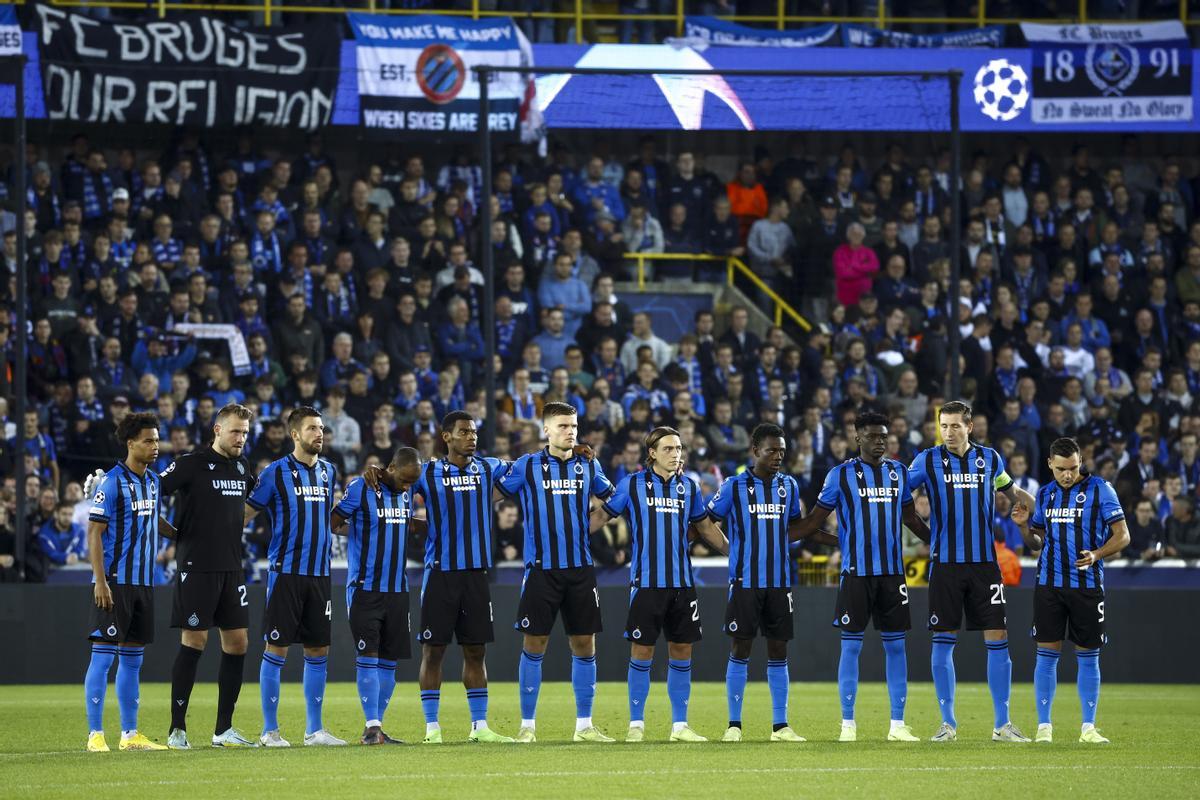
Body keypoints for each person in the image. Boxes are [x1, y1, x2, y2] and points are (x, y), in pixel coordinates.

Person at [791, 411, 928, 742]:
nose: (880, 440)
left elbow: (911, 519)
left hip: (892, 575)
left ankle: (897, 725)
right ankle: (847, 724)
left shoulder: (899, 473)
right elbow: (813, 523)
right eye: (873, 435)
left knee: (896, 648)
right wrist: (782, 532)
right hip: (855, 574)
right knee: (850, 649)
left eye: (884, 435)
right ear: (858, 438)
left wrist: (937, 541)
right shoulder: (840, 475)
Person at [907, 400, 1037, 743]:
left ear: (969, 427)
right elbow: (900, 496)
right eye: (943, 426)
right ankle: (947, 723)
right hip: (945, 565)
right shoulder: (927, 460)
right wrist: (925, 533)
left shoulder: (990, 459)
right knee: (943, 640)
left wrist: (1039, 512)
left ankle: (1002, 724)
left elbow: (1014, 495)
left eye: (954, 426)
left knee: (998, 639)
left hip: (984, 566)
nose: (948, 432)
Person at [589, 427, 728, 743]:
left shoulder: (689, 488)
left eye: (678, 448)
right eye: (668, 448)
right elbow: (601, 518)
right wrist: (573, 537)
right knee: (642, 652)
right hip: (647, 584)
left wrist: (737, 554)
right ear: (651, 452)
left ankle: (680, 726)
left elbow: (705, 529)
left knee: (682, 651)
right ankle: (636, 724)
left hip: (682, 584)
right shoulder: (633, 485)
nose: (675, 453)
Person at [499, 402, 616, 743]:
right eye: (563, 426)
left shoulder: (588, 465)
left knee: (584, 644)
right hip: (542, 571)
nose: (570, 432)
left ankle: (584, 726)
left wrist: (591, 524)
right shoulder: (528, 466)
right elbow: (493, 493)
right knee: (535, 643)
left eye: (574, 426)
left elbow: (614, 499)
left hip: (580, 569)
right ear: (545, 430)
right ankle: (527, 726)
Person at [1011, 437, 1130, 744]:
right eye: (1061, 468)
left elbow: (1123, 536)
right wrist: (1025, 527)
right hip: (1049, 585)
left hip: (1087, 586)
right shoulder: (1047, 494)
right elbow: (1037, 544)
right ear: (1050, 464)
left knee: (1088, 655)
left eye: (1073, 468)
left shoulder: (1100, 489)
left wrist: (1097, 554)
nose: (1067, 474)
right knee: (1046, 655)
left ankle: (1088, 727)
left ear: (1080, 463)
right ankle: (1044, 728)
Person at [406, 413, 514, 744]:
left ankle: (479, 727)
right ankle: (431, 728)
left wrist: (572, 451)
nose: (471, 437)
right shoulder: (428, 471)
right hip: (440, 573)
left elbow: (531, 467)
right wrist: (412, 520)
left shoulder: (488, 467)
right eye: (464, 432)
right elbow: (395, 486)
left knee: (475, 651)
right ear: (446, 437)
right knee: (433, 651)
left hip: (475, 575)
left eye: (474, 432)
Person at [157, 404, 255, 748]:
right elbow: (150, 491)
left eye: (244, 432)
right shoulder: (190, 465)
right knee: (194, 642)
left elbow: (249, 506)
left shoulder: (243, 467)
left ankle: (223, 729)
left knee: (238, 642)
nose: (241, 438)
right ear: (217, 430)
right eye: (235, 431)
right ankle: (177, 729)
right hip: (196, 568)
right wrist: (170, 532)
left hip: (232, 567)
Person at [244, 407, 343, 747]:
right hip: (285, 574)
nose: (320, 433)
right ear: (295, 434)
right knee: (277, 648)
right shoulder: (274, 473)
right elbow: (244, 514)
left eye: (322, 427)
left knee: (318, 650)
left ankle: (314, 731)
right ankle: (269, 731)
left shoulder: (330, 472)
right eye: (312, 428)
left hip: (320, 576)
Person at [706, 423, 807, 743]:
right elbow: (708, 523)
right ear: (755, 451)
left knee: (779, 650)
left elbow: (794, 529)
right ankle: (733, 725)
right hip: (745, 581)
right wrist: (729, 549)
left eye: (782, 451)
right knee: (741, 648)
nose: (778, 456)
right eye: (772, 450)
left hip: (780, 583)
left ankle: (781, 726)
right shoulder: (734, 486)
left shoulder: (789, 486)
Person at [83, 411, 175, 752]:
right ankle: (95, 735)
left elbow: (154, 517)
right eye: (148, 440)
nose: (155, 446)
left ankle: (129, 734)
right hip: (115, 582)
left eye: (156, 439)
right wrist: (100, 581)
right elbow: (94, 532)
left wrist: (180, 534)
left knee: (133, 660)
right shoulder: (111, 481)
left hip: (143, 583)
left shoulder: (152, 481)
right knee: (103, 658)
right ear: (130, 443)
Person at [332, 447, 422, 745]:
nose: (408, 487)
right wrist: (359, 529)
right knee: (368, 656)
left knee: (389, 664)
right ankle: (371, 726)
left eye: (413, 483)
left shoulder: (407, 489)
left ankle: (376, 727)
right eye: (405, 480)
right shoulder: (362, 487)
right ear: (393, 468)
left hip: (398, 589)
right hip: (365, 588)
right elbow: (333, 522)